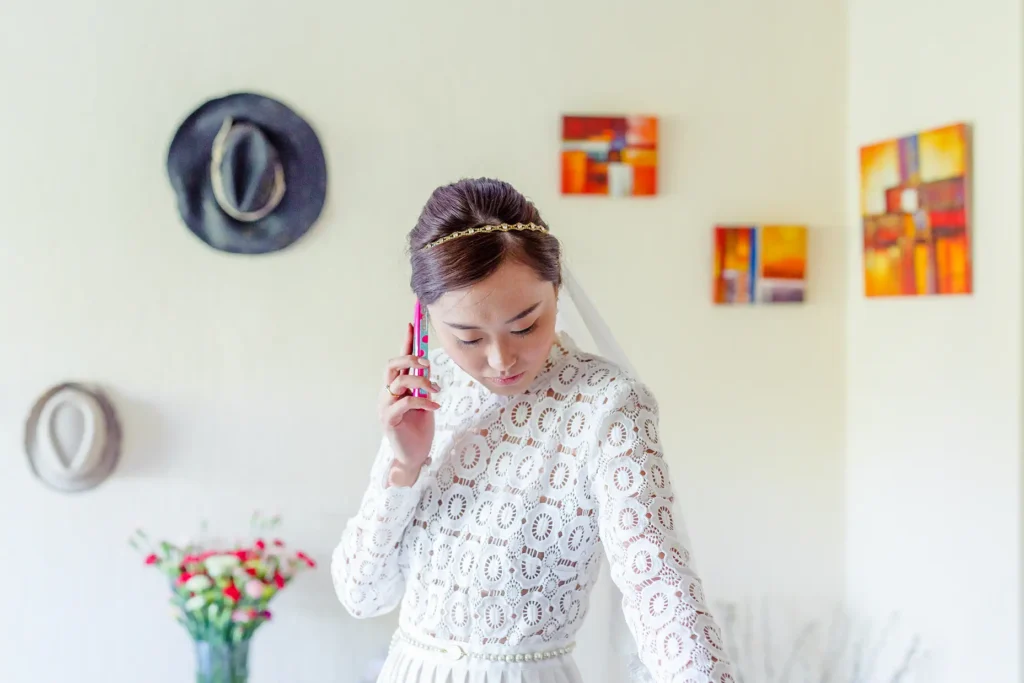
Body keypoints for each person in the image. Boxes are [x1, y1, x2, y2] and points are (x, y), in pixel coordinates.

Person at [331, 178, 735, 683]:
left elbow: (661, 590)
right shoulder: (426, 397)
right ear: (423, 315)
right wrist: (405, 464)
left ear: (557, 290)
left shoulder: (606, 406)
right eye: (469, 338)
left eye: (524, 326)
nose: (501, 360)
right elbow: (361, 595)